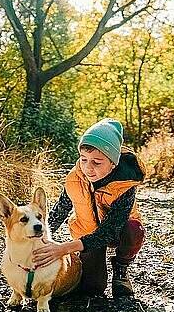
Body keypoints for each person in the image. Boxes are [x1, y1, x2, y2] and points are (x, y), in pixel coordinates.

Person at [32, 118, 146, 297]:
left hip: (115, 232)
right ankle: (89, 267)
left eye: (97, 162)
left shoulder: (125, 186)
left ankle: (121, 269)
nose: (88, 168)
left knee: (134, 229)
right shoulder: (75, 179)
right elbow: (60, 210)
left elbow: (108, 231)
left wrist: (65, 248)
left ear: (113, 163)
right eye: (84, 159)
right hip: (87, 233)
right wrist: (42, 237)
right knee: (92, 289)